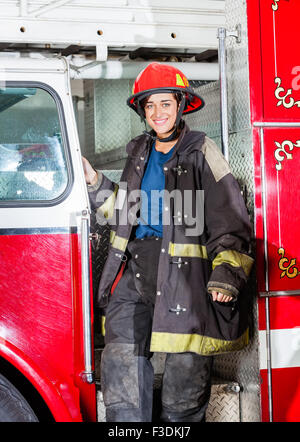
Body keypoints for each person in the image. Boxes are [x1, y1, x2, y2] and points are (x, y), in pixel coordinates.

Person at [82, 62, 254, 422]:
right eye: (149, 105)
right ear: (143, 111)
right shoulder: (139, 153)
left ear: (180, 105)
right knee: (121, 363)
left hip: (187, 277)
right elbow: (127, 213)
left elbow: (230, 218)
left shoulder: (201, 151)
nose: (157, 112)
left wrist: (226, 275)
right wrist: (95, 181)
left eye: (164, 103)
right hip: (134, 272)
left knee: (184, 379)